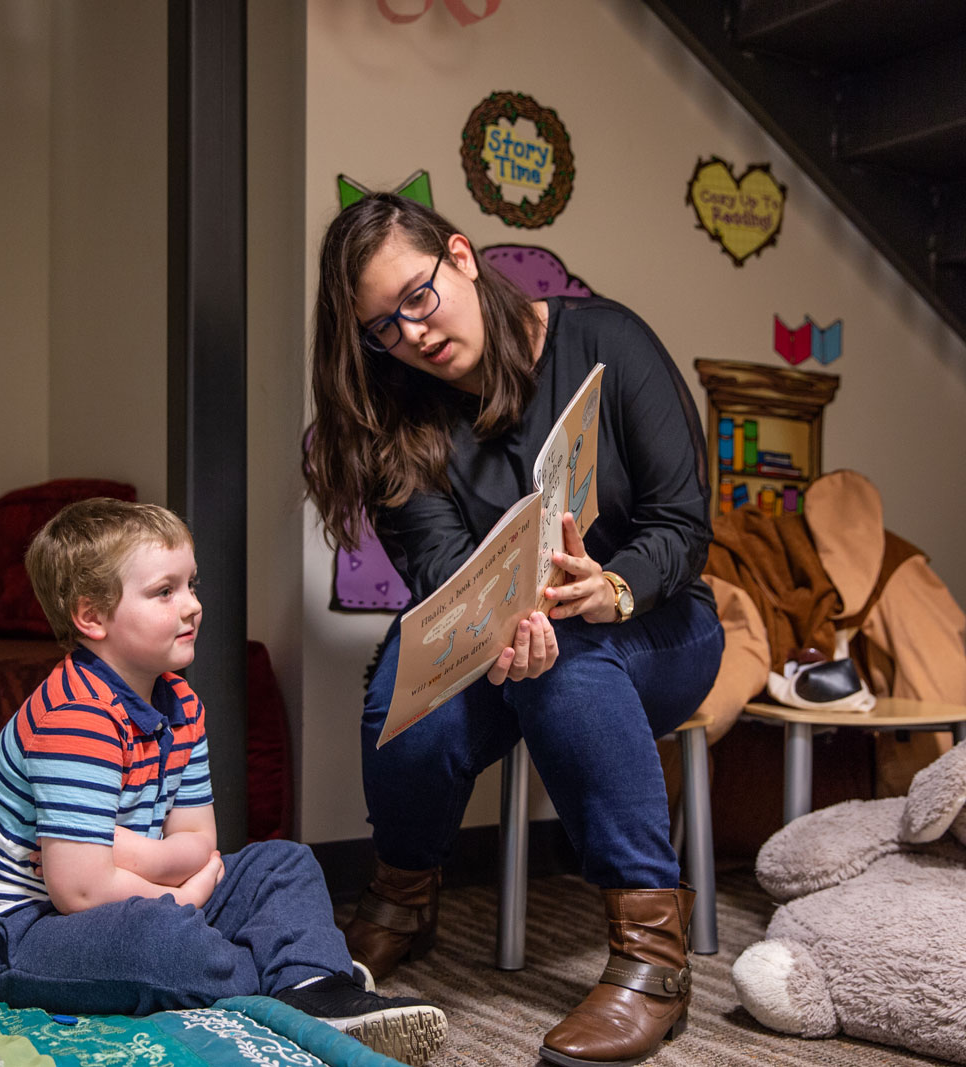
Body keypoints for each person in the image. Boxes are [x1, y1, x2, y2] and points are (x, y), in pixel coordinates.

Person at [304, 193, 725, 1067]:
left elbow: (682, 527)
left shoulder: (607, 340)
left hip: (656, 626)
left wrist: (608, 588)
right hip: (508, 643)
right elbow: (444, 579)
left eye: (416, 298)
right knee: (399, 693)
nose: (410, 335)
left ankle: (653, 958)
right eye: (382, 328)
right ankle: (403, 899)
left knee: (566, 661)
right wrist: (499, 623)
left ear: (460, 256)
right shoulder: (396, 421)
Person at [0, 498, 446, 1065]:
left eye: (191, 584)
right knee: (161, 941)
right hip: (22, 930)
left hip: (124, 891)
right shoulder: (75, 717)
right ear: (92, 617)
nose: (193, 606)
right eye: (165, 592)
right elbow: (80, 891)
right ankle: (281, 981)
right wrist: (184, 895)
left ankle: (314, 989)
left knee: (285, 864)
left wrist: (127, 851)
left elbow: (197, 844)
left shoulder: (180, 702)